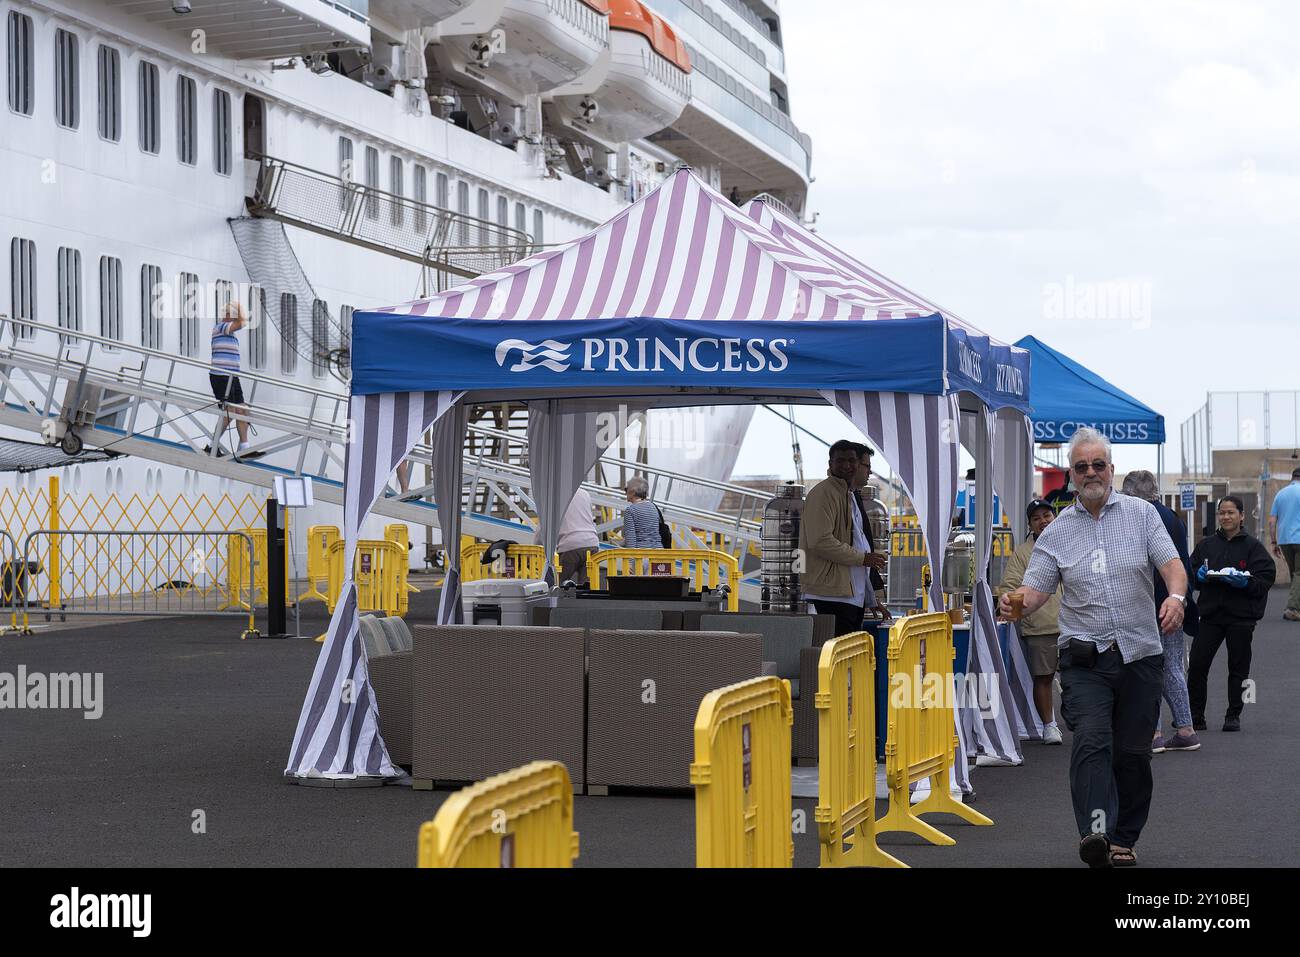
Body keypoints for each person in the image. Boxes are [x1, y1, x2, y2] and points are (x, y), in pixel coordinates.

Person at [1000, 427, 1186, 868]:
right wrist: (1016, 603)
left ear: (1111, 469)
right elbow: (1037, 589)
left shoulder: (1142, 514)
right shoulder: (1058, 530)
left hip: (1140, 654)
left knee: (1133, 753)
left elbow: (1172, 566)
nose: (1090, 473)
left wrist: (1176, 598)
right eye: (1081, 467)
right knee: (1091, 740)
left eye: (1097, 465)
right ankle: (1095, 833)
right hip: (1085, 660)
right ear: (1072, 474)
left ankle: (1125, 836)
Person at [1120, 470, 1202, 754]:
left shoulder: (1137, 517)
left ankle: (1154, 733)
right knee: (1174, 666)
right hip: (1175, 600)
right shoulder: (1172, 517)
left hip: (1148, 602)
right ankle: (1185, 728)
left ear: (1130, 494)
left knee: (1147, 668)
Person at [1188, 496, 1276, 732]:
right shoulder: (1206, 545)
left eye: (1231, 513)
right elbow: (1190, 570)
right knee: (1197, 665)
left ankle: (1234, 714)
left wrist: (1245, 583)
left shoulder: (1253, 547)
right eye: (1222, 513)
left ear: (1241, 516)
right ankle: (1196, 716)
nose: (1226, 517)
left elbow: (1266, 578)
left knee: (1238, 667)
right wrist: (1198, 576)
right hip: (1210, 616)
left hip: (1241, 617)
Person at [995, 498, 1063, 744]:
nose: (1043, 522)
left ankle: (1075, 716)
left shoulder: (1072, 541)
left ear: (1055, 517)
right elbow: (1010, 585)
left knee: (1080, 676)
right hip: (1040, 626)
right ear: (1030, 525)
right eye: (1036, 518)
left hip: (1075, 624)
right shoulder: (1023, 552)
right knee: (1043, 678)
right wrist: (1007, 604)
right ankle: (1049, 726)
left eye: (1047, 515)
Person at [800, 440, 886, 636]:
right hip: (832, 595)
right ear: (830, 464)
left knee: (850, 657)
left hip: (848, 595)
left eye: (851, 460)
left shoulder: (848, 495)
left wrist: (870, 599)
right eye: (840, 461)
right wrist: (864, 558)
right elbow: (820, 541)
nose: (847, 465)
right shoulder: (824, 493)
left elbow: (857, 547)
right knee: (842, 658)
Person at [208, 302, 262, 460]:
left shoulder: (231, 335)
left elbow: (239, 324)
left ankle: (244, 448)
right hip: (221, 377)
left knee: (242, 409)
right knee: (229, 412)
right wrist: (238, 308)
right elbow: (241, 323)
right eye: (231, 315)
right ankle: (212, 445)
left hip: (232, 377)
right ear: (227, 316)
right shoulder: (220, 328)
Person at [849, 443, 892, 622]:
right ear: (854, 465)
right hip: (839, 598)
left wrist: (870, 599)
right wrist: (865, 559)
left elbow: (859, 550)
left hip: (854, 596)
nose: (870, 472)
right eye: (867, 466)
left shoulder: (853, 497)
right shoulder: (836, 498)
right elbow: (824, 545)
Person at [1269, 466, 1300, 621]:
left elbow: (1272, 520)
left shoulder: (1280, 494)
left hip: (1285, 541)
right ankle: (1292, 608)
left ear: (1292, 477)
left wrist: (1273, 541)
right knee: (1299, 574)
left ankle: (1296, 606)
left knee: (1295, 574)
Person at [557, 488, 600, 586]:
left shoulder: (555, 495)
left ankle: (559, 600)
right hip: (592, 542)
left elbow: (543, 527)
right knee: (587, 587)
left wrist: (537, 547)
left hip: (570, 543)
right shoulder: (585, 493)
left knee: (557, 584)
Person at [621, 476, 664, 549]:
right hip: (658, 553)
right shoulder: (653, 507)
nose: (625, 492)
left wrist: (630, 560)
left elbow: (630, 540)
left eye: (626, 489)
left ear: (632, 492)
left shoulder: (630, 511)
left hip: (642, 555)